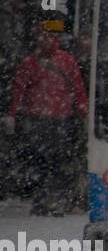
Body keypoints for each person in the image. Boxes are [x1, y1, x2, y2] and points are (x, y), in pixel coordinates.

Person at [4, 22, 89, 215]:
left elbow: (77, 88)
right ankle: (48, 200)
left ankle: (49, 200)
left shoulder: (55, 61)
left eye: (50, 36)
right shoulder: (45, 62)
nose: (47, 40)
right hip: (43, 120)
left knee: (50, 161)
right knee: (47, 162)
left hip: (51, 119)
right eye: (44, 36)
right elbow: (18, 90)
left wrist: (13, 114)